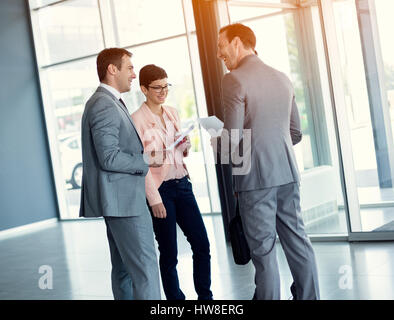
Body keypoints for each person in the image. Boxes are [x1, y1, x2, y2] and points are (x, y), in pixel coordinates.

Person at [215, 23, 320, 300]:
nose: (219, 54)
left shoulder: (233, 79)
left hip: (254, 180)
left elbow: (232, 139)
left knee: (263, 252)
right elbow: (295, 132)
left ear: (237, 42)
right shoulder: (282, 77)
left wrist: (215, 139)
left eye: (221, 46)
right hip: (287, 174)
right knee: (298, 243)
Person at [79, 48, 162, 300]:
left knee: (124, 270)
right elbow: (109, 157)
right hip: (125, 202)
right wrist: (146, 159)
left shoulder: (108, 101)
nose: (134, 74)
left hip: (119, 201)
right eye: (129, 68)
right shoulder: (104, 104)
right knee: (146, 269)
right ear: (112, 70)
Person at [131, 64, 213, 300]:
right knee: (169, 253)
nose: (163, 91)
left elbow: (178, 151)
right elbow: (141, 164)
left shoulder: (172, 112)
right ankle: (175, 301)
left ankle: (205, 298)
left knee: (201, 244)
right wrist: (154, 200)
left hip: (183, 185)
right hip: (162, 190)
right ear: (144, 89)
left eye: (166, 85)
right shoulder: (137, 120)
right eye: (157, 87)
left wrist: (184, 144)